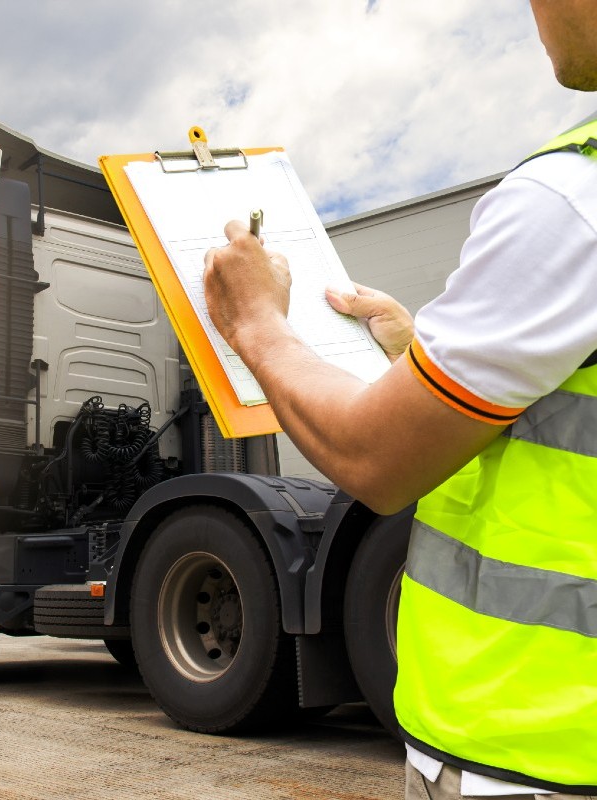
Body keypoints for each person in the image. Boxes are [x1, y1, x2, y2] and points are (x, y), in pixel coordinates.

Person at [202, 1, 597, 797]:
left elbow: (372, 458)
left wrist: (255, 325)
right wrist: (421, 358)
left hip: (535, 754)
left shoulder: (573, 198)